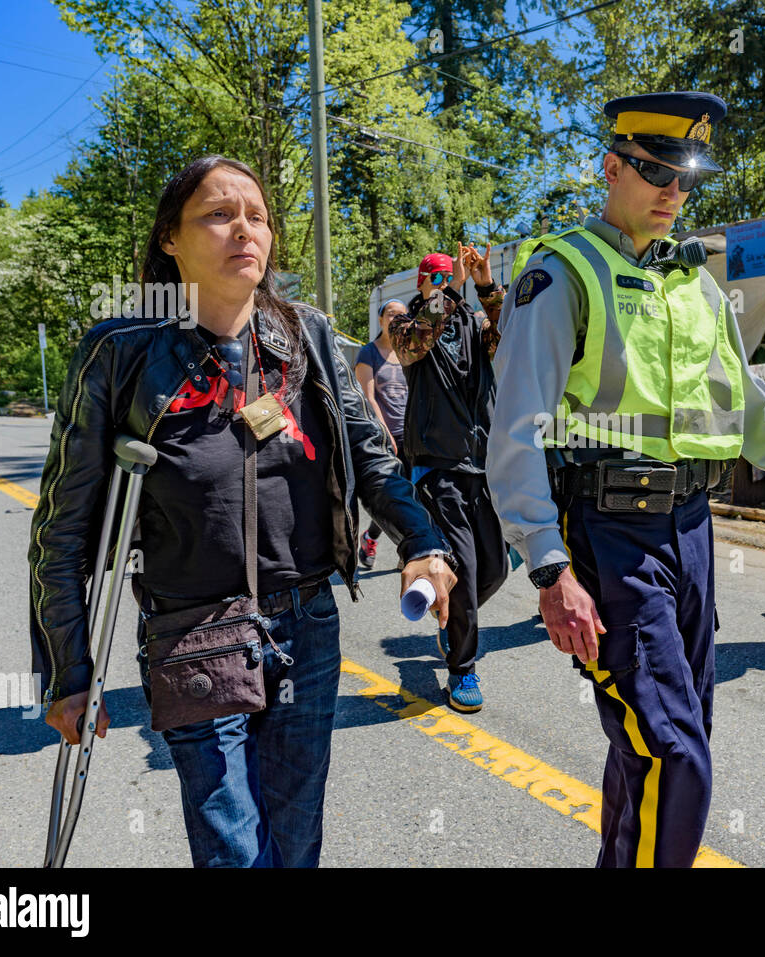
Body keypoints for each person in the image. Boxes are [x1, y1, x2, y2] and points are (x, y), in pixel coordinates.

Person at [29, 155, 457, 867]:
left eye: (256, 216)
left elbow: (371, 457)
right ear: (171, 237)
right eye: (219, 214)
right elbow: (63, 529)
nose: (244, 231)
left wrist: (423, 540)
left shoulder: (306, 335)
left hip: (306, 624)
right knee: (233, 853)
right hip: (191, 630)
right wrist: (66, 668)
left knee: (294, 845)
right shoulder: (120, 351)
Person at [489, 92, 765, 868]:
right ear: (611, 167)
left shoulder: (695, 285)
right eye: (656, 172)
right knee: (672, 752)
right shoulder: (564, 274)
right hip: (609, 533)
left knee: (660, 743)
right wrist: (548, 567)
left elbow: (752, 406)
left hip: (693, 531)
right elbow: (517, 431)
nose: (673, 193)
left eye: (686, 178)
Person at [390, 244, 507, 712]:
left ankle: (450, 610)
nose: (442, 281)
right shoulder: (406, 324)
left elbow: (509, 339)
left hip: (483, 463)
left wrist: (484, 286)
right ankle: (463, 670)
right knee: (468, 566)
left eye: (447, 276)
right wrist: (452, 288)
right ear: (422, 284)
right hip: (436, 467)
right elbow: (414, 344)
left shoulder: (475, 326)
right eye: (434, 277)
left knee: (493, 569)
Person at [354, 299, 411, 570]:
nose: (396, 318)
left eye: (402, 315)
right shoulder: (369, 352)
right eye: (391, 314)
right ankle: (373, 537)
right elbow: (367, 397)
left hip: (412, 434)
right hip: (385, 434)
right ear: (380, 320)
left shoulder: (409, 352)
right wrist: (383, 431)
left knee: (414, 495)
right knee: (392, 496)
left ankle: (405, 549)